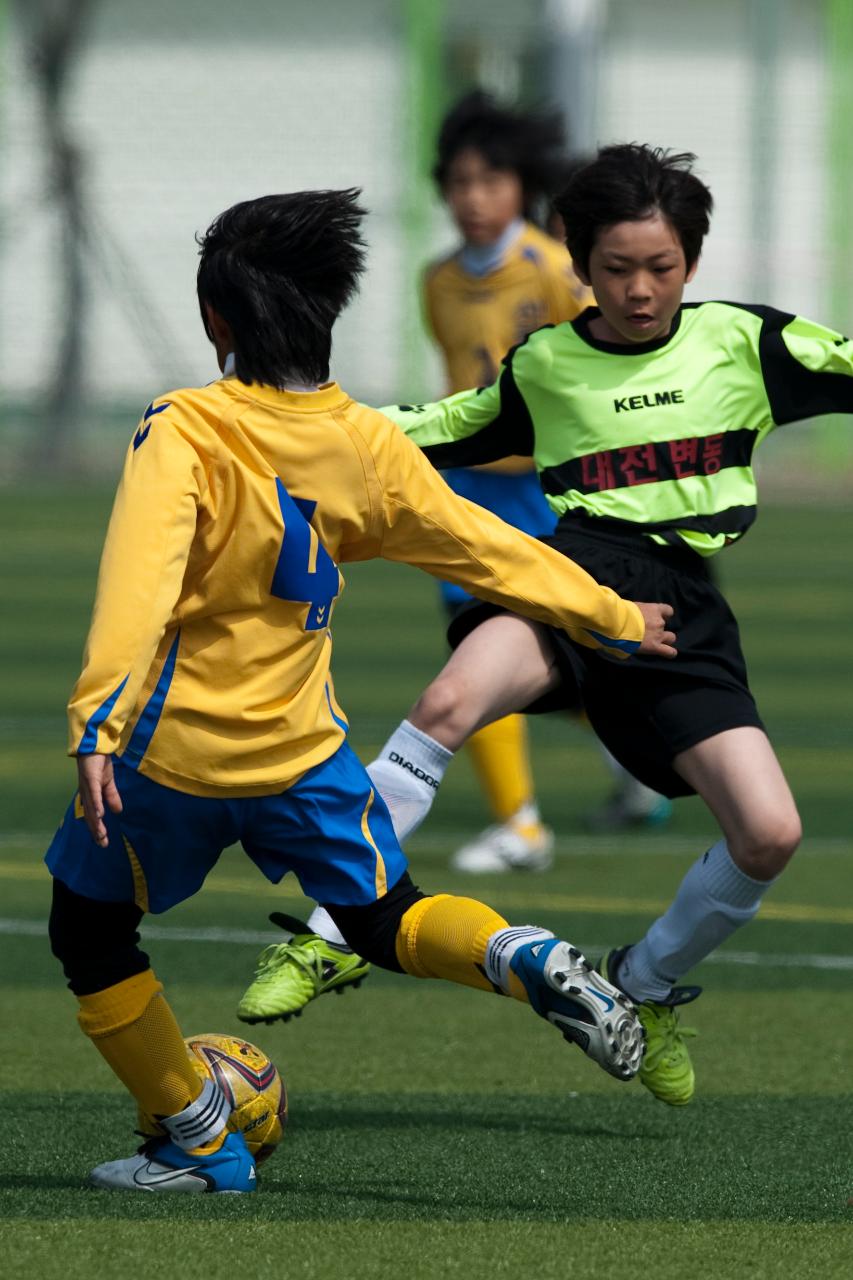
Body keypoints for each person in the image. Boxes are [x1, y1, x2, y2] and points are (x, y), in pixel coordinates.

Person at [44, 188, 676, 1193]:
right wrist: (609, 613)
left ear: (219, 321)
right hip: (302, 754)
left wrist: (96, 722)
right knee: (385, 917)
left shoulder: (186, 428)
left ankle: (201, 1137)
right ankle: (525, 955)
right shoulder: (370, 443)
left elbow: (138, 583)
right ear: (329, 311)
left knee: (85, 928)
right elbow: (488, 550)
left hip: (172, 755)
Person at [362, 143, 853, 1108]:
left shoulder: (748, 344)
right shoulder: (544, 363)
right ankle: (333, 929)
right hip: (568, 583)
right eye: (616, 268)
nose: (639, 289)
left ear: (691, 265)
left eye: (660, 268)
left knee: (768, 832)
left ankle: (642, 984)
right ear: (578, 268)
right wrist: (298, 427)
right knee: (449, 700)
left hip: (681, 609)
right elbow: (435, 426)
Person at [233, 97, 667, 1029]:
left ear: (520, 185)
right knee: (477, 649)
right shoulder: (439, 280)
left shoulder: (554, 270)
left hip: (550, 494)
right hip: (470, 494)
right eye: (459, 183)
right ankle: (522, 821)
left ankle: (608, 775)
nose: (473, 198)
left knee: (566, 644)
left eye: (490, 180)